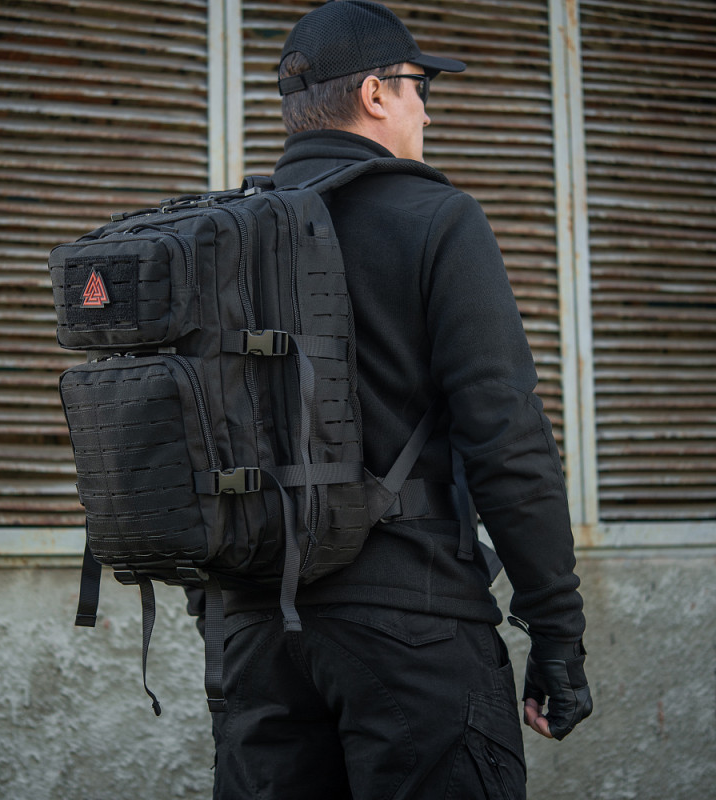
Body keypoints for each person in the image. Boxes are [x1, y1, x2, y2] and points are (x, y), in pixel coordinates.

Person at [203, 2, 593, 797]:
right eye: (420, 86)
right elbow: (507, 436)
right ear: (376, 94)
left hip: (252, 632)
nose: (427, 110)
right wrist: (556, 628)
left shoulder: (220, 235)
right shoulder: (438, 219)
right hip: (413, 626)